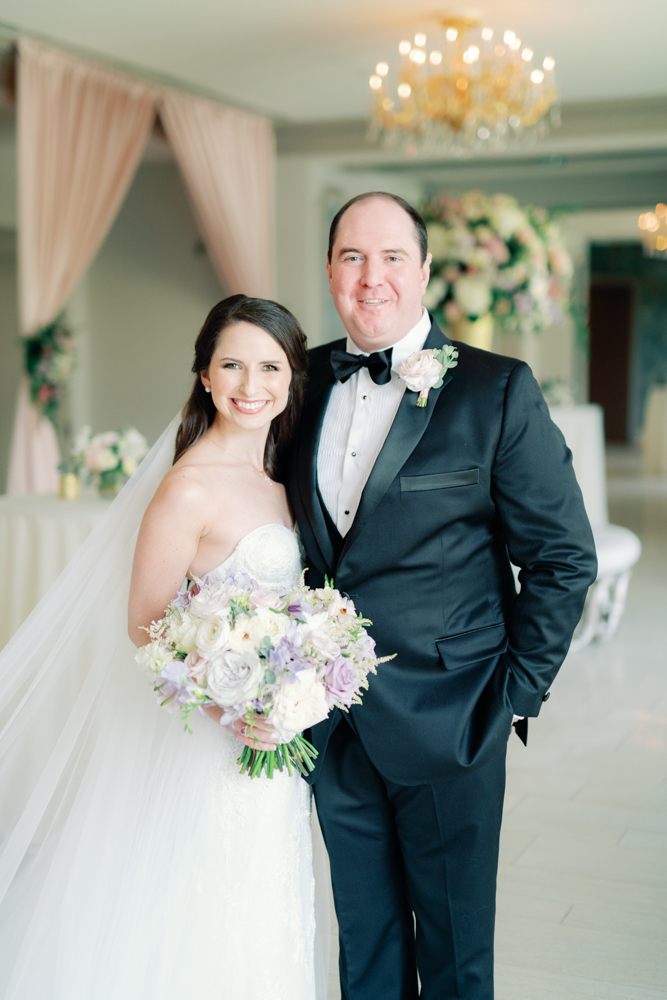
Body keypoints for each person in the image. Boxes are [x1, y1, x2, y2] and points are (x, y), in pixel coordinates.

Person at [288, 192, 598, 1000]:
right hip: (330, 722)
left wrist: (513, 697)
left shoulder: (497, 389)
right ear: (328, 271)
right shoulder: (296, 381)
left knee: (456, 956)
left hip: (454, 717)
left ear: (424, 271)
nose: (371, 277)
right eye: (353, 257)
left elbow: (563, 557)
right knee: (365, 945)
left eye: (392, 257)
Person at [0, 295, 329, 999]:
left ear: (292, 378)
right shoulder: (186, 488)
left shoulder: (277, 479)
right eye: (232, 365)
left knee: (259, 900)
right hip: (207, 739)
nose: (251, 384)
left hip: (266, 739)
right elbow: (145, 623)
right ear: (204, 376)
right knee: (197, 906)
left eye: (270, 366)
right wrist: (231, 707)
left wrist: (298, 682)